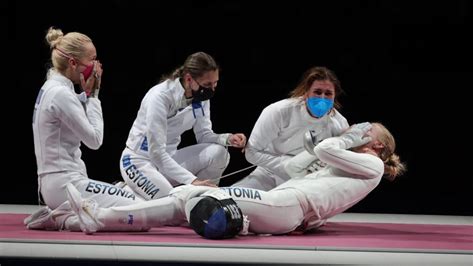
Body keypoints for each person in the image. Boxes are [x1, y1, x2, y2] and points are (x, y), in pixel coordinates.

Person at [65, 122, 405, 238]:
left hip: (286, 205)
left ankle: (100, 217)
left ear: (377, 144)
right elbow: (297, 169)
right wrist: (313, 148)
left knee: (194, 199)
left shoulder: (371, 166)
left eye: (365, 130)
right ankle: (98, 218)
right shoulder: (354, 162)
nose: (357, 130)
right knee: (187, 196)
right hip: (283, 205)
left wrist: (343, 138)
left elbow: (330, 149)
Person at [25, 27, 144, 231]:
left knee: (136, 207)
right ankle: (61, 218)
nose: (96, 66)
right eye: (92, 59)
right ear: (73, 63)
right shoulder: (61, 94)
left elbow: (71, 112)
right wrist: (94, 96)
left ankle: (62, 214)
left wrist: (86, 94)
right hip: (66, 185)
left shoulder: (52, 88)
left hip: (56, 185)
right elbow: (95, 140)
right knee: (141, 213)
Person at [118, 51, 246, 200]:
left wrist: (228, 139)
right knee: (171, 204)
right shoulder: (159, 97)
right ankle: (127, 191)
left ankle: (203, 200)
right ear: (189, 79)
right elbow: (156, 153)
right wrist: (192, 181)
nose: (212, 89)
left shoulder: (201, 97)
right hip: (139, 162)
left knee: (219, 153)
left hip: (168, 162)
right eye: (207, 84)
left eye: (215, 83)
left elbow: (204, 135)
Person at [232, 66, 349, 191]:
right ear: (306, 93)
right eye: (317, 92)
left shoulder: (339, 124)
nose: (322, 98)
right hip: (270, 173)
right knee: (230, 200)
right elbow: (251, 152)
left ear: (334, 96)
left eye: (328, 93)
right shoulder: (279, 111)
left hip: (309, 180)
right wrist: (289, 166)